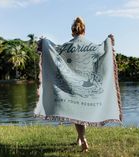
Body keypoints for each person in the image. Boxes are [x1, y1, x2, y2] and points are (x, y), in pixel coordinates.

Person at [35, 17, 121, 152]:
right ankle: (81, 138)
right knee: (81, 112)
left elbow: (53, 51)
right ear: (84, 30)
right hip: (87, 84)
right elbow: (103, 51)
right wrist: (109, 41)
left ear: (72, 31)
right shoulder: (92, 46)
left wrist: (44, 42)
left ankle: (82, 138)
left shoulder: (66, 46)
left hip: (72, 85)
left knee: (77, 112)